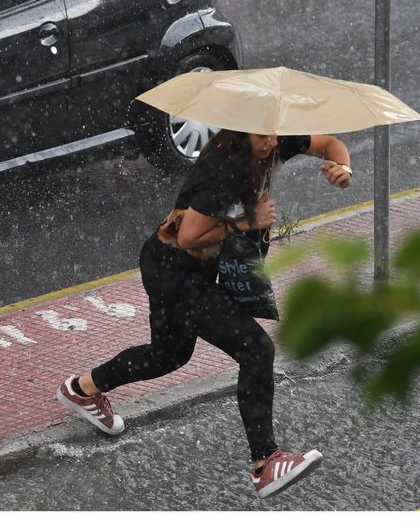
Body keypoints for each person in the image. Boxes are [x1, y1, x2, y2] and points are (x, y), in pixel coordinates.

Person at [56, 130, 352, 499]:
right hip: (174, 269)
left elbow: (327, 143)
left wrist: (341, 166)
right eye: (264, 135)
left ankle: (83, 389)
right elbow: (189, 236)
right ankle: (265, 463)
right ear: (244, 132)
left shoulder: (270, 139)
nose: (274, 141)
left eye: (276, 132)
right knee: (256, 349)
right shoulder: (223, 166)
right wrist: (248, 221)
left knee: (170, 354)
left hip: (187, 269)